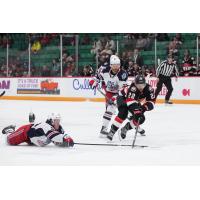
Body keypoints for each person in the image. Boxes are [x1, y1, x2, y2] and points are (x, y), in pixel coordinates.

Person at [106, 75, 155, 141]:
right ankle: (112, 131)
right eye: (138, 85)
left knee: (140, 118)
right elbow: (130, 102)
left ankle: (125, 128)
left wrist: (144, 108)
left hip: (134, 101)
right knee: (123, 113)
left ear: (145, 83)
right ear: (135, 83)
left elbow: (151, 102)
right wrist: (113, 98)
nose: (140, 87)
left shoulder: (149, 89)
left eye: (142, 85)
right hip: (122, 98)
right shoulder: (133, 88)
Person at [89, 55, 128, 137]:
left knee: (127, 112)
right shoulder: (104, 70)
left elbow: (123, 89)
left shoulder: (123, 74)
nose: (116, 66)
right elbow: (97, 77)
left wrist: (115, 98)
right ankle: (103, 129)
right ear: (110, 65)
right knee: (109, 110)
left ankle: (136, 126)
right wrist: (93, 81)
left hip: (120, 94)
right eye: (114, 65)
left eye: (118, 64)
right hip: (109, 92)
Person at [2, 113, 74, 147]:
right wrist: (66, 138)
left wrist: (65, 143)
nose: (58, 123)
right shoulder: (46, 126)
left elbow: (57, 142)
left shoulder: (59, 129)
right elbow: (54, 136)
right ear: (51, 121)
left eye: (58, 121)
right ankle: (10, 130)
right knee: (9, 141)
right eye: (56, 121)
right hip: (24, 132)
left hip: (33, 140)